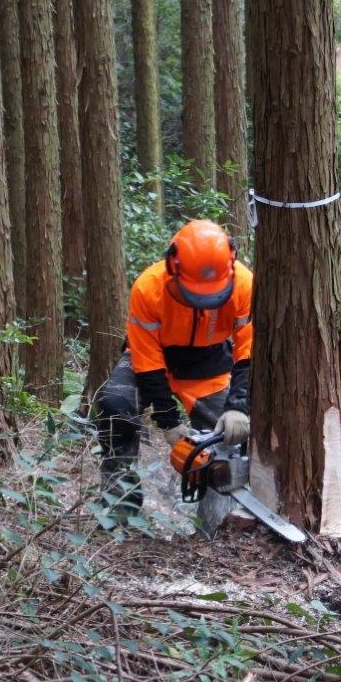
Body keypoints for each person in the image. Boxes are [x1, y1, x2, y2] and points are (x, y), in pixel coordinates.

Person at [95, 220, 254, 514]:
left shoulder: (244, 284)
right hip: (153, 360)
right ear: (173, 264)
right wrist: (168, 420)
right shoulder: (148, 288)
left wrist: (239, 405)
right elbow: (146, 359)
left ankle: (217, 520)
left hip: (210, 363)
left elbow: (248, 348)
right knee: (116, 406)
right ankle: (118, 512)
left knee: (229, 438)